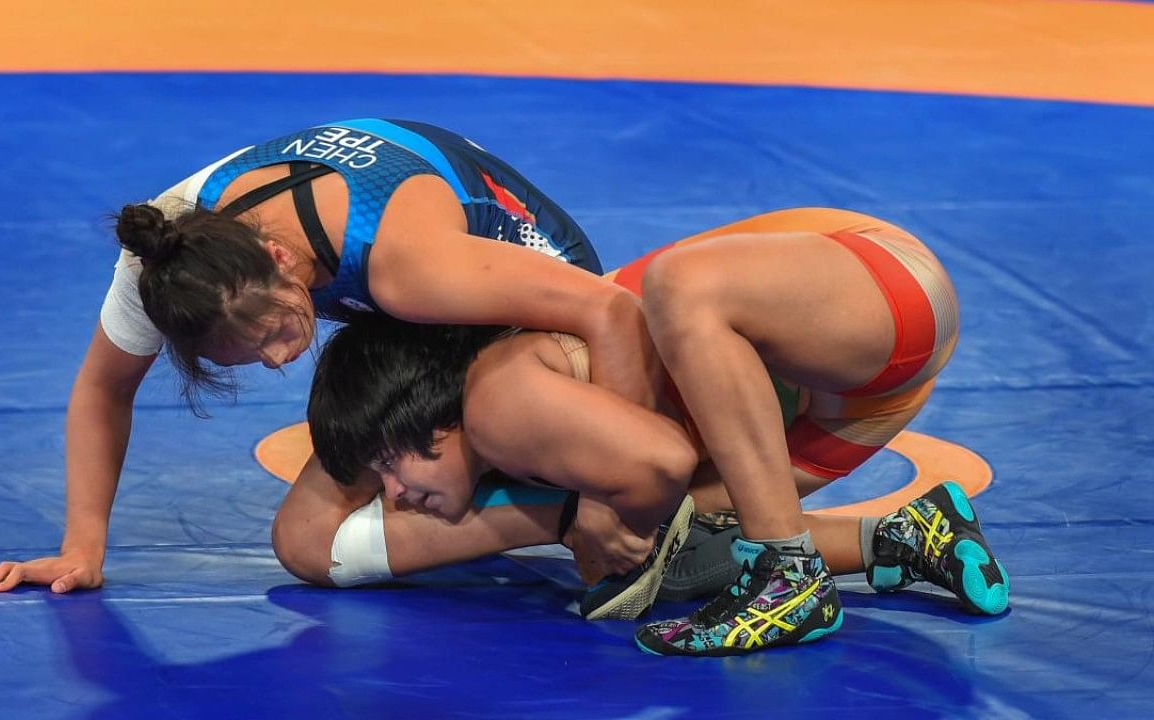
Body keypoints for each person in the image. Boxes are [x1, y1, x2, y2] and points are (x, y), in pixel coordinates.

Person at [0, 119, 654, 595]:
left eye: (275, 333)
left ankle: (660, 500)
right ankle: (551, 516)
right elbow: (101, 392)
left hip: (535, 298)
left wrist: (613, 496)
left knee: (503, 419)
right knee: (307, 543)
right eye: (251, 356)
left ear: (279, 258)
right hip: (410, 321)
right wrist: (83, 547)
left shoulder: (408, 268)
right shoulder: (169, 262)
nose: (275, 362)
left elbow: (610, 310)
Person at [304, 207, 1010, 656]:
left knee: (679, 288)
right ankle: (907, 535)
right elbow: (314, 547)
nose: (394, 492)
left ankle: (790, 576)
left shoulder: (497, 396)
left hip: (877, 282)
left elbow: (662, 456)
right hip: (855, 395)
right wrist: (598, 521)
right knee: (674, 536)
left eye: (389, 465)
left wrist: (599, 514)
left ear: (433, 415)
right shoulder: (515, 448)